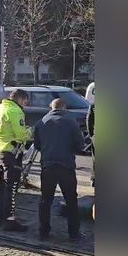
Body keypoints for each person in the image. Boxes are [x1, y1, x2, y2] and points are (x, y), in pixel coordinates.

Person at [34, 98, 85, 241]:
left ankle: (44, 232)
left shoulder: (41, 122)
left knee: (45, 201)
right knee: (71, 201)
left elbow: (37, 144)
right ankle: (73, 234)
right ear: (65, 107)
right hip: (66, 166)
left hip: (48, 165)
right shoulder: (71, 122)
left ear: (51, 107)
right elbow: (79, 145)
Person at [0, 89, 32, 232]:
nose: (25, 104)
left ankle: (0, 218)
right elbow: (21, 135)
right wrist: (30, 131)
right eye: (25, 101)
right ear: (20, 99)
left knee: (2, 186)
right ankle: (10, 220)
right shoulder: (15, 111)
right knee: (12, 187)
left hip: (0, 151)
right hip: (12, 153)